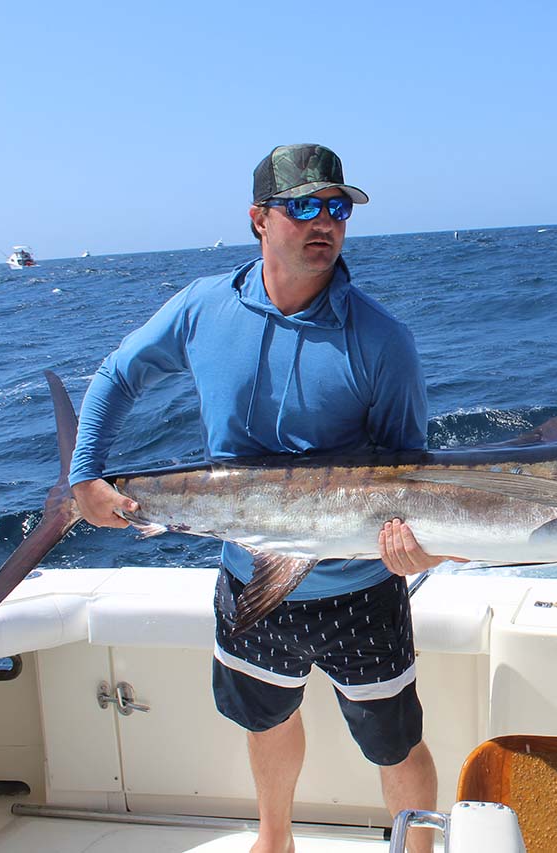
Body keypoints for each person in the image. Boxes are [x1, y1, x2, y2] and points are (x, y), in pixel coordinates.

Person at [68, 144, 443, 853]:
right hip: (249, 577)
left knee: (395, 742)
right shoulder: (203, 307)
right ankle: (275, 840)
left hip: (359, 590)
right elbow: (118, 374)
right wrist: (86, 471)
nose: (324, 222)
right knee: (266, 717)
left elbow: (410, 479)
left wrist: (410, 548)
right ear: (257, 219)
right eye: (303, 205)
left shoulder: (384, 341)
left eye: (337, 207)